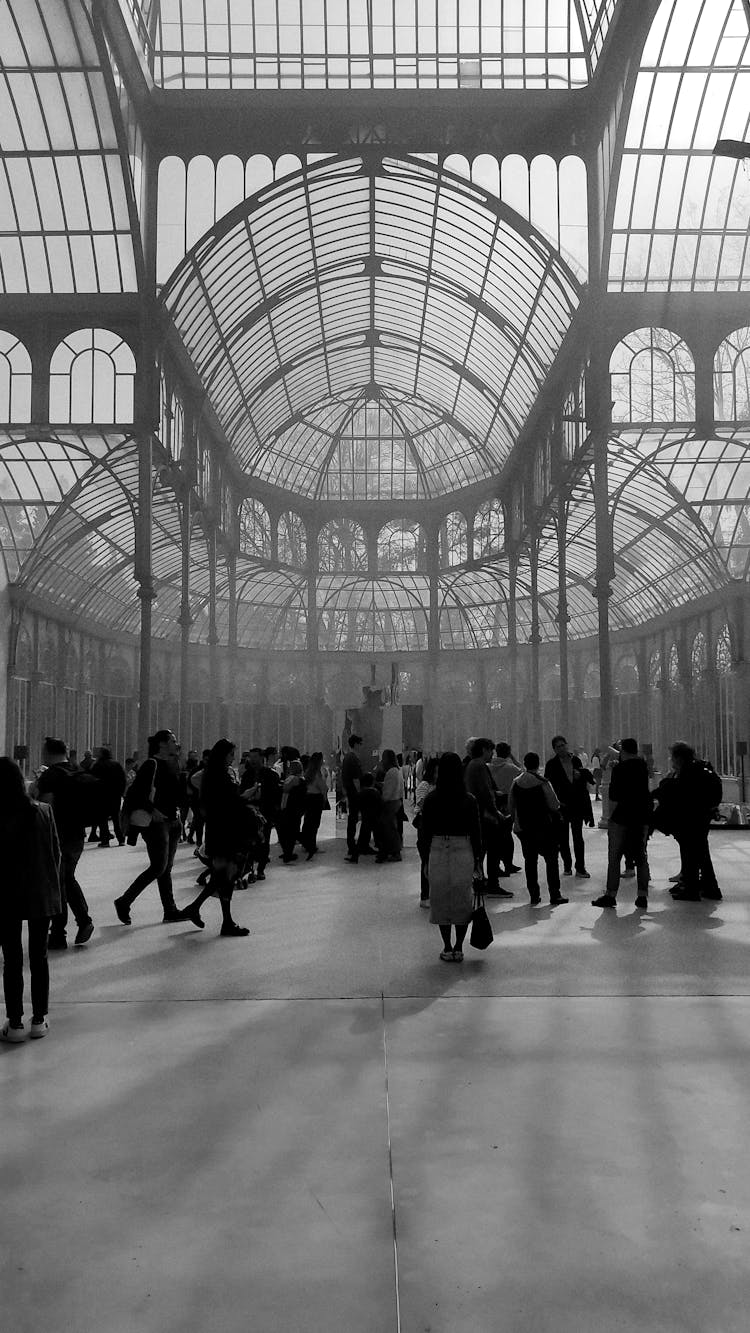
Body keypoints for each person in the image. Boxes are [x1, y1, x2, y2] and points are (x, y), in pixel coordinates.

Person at [0, 757, 61, 1042]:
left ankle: (14, 1023)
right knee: (39, 956)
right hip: (40, 892)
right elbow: (55, 855)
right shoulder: (44, 812)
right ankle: (40, 1018)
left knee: (11, 959)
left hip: (5, 894)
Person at [175, 739, 253, 936]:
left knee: (221, 875)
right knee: (225, 875)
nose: (233, 758)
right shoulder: (220, 776)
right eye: (230, 754)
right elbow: (231, 801)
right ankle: (221, 920)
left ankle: (202, 910)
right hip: (226, 830)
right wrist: (246, 796)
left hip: (217, 830)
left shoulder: (210, 775)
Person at [114, 729, 189, 925]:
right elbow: (136, 793)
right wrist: (152, 810)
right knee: (158, 867)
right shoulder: (151, 764)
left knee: (165, 868)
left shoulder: (174, 763)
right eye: (173, 740)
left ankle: (170, 910)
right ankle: (124, 901)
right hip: (156, 823)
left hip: (173, 821)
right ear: (162, 744)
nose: (176, 743)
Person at [421, 752, 483, 962]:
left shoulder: (431, 799)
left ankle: (447, 946)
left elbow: (424, 833)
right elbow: (476, 832)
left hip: (438, 847)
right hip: (463, 847)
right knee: (462, 897)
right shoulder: (469, 800)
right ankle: (459, 946)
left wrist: (425, 859)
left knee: (440, 899)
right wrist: (478, 860)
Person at [35, 736, 95, 948]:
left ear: (48, 753)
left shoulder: (50, 775)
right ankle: (63, 931)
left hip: (57, 835)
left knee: (59, 881)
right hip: (77, 833)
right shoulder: (77, 770)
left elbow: (45, 807)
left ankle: (65, 930)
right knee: (64, 879)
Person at [652, 743, 722, 902]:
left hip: (690, 818)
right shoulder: (701, 767)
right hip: (703, 816)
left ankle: (691, 889)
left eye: (672, 757)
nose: (671, 760)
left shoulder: (688, 772)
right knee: (702, 852)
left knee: (691, 852)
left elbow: (679, 795)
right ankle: (710, 887)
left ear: (679, 757)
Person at [591, 738, 652, 910]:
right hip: (640, 816)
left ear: (623, 750)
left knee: (615, 856)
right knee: (641, 856)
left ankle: (611, 894)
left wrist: (610, 817)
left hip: (622, 817)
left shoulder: (619, 769)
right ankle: (642, 895)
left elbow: (614, 796)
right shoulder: (642, 765)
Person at [508, 753, 568, 906]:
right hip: (544, 827)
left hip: (525, 828)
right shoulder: (543, 782)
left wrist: (516, 823)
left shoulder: (516, 782)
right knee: (551, 860)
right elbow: (554, 804)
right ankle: (555, 894)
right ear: (538, 764)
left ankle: (534, 895)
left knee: (530, 861)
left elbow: (511, 806)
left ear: (525, 763)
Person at [464, 738, 513, 897]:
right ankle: (492, 883)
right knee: (493, 848)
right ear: (484, 749)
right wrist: (495, 811)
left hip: (477, 814)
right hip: (485, 816)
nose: (492, 754)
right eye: (490, 750)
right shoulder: (479, 765)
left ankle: (480, 881)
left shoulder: (473, 765)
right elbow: (485, 791)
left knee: (481, 850)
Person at [544, 735, 593, 878]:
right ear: (554, 749)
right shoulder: (551, 764)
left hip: (576, 803)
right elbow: (548, 784)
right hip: (562, 806)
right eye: (558, 746)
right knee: (563, 838)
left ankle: (580, 867)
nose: (562, 748)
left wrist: (580, 776)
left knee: (578, 837)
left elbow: (583, 780)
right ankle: (567, 864)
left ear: (567, 745)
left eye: (563, 745)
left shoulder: (576, 760)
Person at [90, 745, 127, 846]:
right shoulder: (116, 764)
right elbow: (123, 779)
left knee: (102, 819)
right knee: (116, 818)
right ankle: (121, 839)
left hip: (101, 796)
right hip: (115, 795)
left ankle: (105, 840)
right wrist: (121, 792)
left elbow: (92, 780)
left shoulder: (97, 765)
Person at [414, 755, 438, 907]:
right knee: (427, 861)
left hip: (436, 826)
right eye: (436, 772)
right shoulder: (424, 785)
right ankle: (425, 895)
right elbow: (421, 804)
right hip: (426, 826)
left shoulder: (440, 786)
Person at [377, 748, 404, 862]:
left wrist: (382, 796)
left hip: (391, 803)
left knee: (389, 829)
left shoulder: (391, 772)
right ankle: (393, 851)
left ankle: (394, 852)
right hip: (396, 802)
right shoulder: (397, 771)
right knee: (392, 828)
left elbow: (387, 793)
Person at [300, 752, 329, 859]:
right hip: (316, 799)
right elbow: (322, 787)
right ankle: (312, 846)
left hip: (308, 798)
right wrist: (325, 795)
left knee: (308, 822)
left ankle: (305, 844)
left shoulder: (308, 772)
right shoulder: (317, 773)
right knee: (314, 823)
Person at [278, 759, 306, 862]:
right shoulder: (300, 780)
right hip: (295, 809)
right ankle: (289, 853)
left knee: (286, 831)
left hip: (285, 807)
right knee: (293, 831)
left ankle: (286, 852)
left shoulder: (288, 779)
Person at [342, 733, 364, 863]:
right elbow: (356, 779)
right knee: (353, 819)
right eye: (360, 744)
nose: (361, 746)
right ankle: (352, 846)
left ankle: (352, 846)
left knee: (353, 818)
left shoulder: (347, 758)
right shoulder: (353, 758)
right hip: (354, 793)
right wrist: (359, 792)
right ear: (355, 744)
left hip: (351, 792)